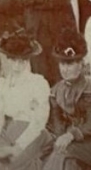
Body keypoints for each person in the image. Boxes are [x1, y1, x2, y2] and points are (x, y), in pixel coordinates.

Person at [0, 29, 50, 170]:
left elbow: (38, 122)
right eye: (13, 60)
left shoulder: (38, 83)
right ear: (8, 59)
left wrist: (19, 146)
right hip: (9, 132)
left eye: (22, 61)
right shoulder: (2, 86)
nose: (17, 66)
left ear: (28, 60)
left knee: (8, 165)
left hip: (33, 135)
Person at [40, 28, 91, 170]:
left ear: (81, 64)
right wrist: (61, 136)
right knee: (49, 153)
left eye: (70, 63)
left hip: (87, 140)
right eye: (62, 63)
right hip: (69, 142)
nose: (65, 69)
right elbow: (57, 122)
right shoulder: (57, 90)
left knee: (62, 154)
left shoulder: (88, 87)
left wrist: (71, 135)